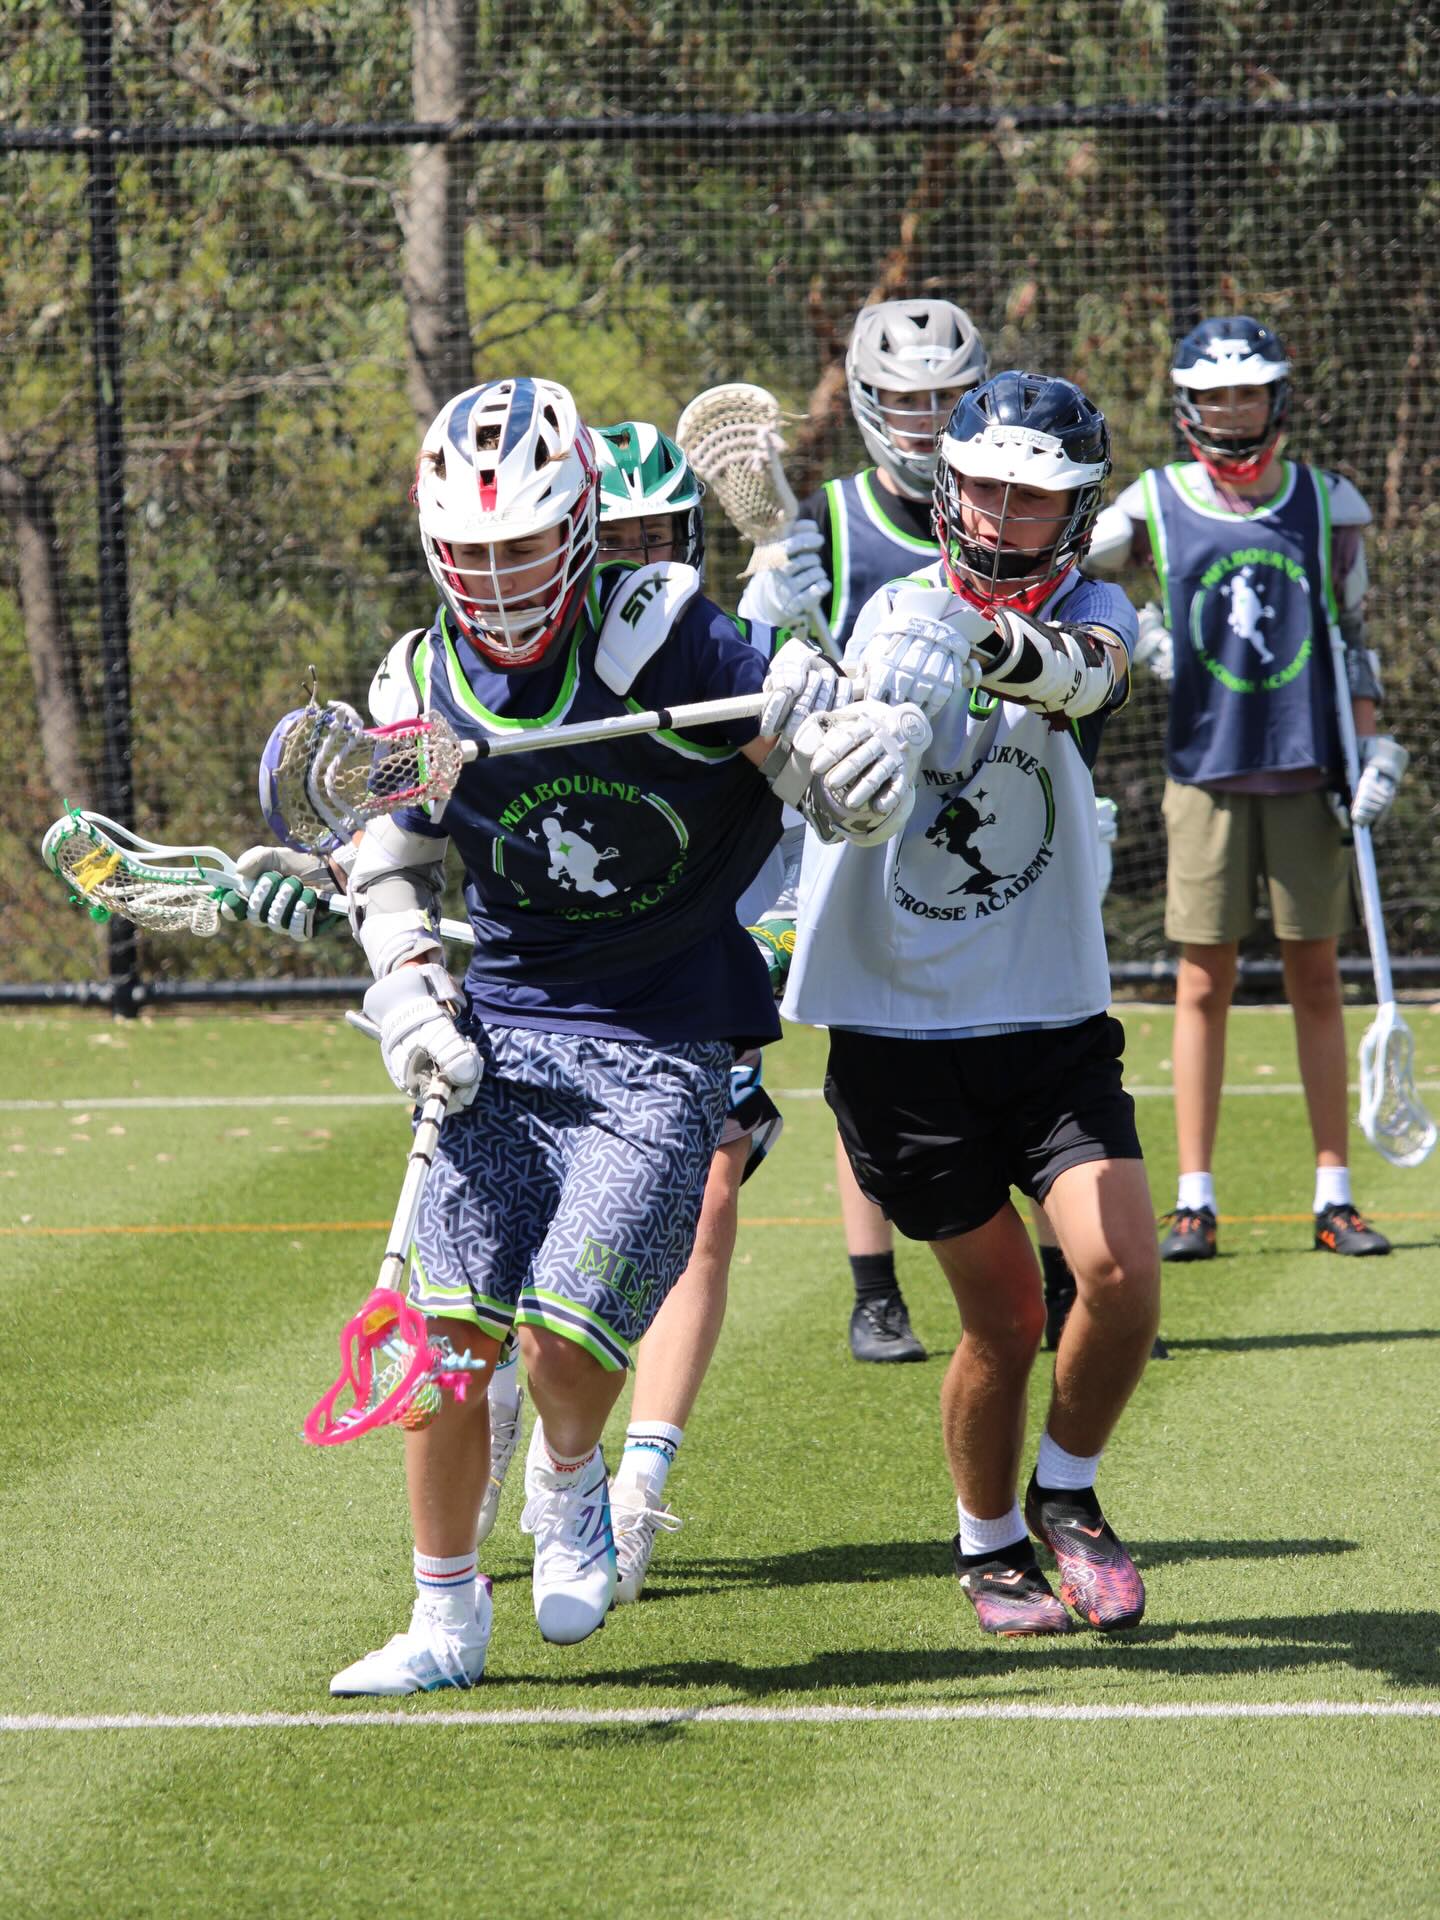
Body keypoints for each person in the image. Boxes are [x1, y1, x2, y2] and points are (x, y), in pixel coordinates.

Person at [285, 375, 922, 1693]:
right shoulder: (422, 682)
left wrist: (860, 757)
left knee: (565, 1343)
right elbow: (392, 857)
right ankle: (445, 1625)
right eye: (472, 554)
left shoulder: (666, 642)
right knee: (449, 1345)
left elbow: (806, 769)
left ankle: (571, 1483)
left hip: (662, 1038)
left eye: (523, 545)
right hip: (503, 1037)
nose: (501, 580)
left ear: (579, 528)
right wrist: (406, 994)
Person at [784, 369, 1159, 1635]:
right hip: (898, 1038)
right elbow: (846, 782)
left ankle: (1070, 1494)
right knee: (1002, 1318)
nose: (1005, 519)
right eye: (989, 489)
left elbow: (1091, 678)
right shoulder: (886, 609)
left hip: (1047, 1020)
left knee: (1118, 1274)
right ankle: (989, 1545)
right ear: (950, 487)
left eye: (1036, 498)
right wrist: (830, 741)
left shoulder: (1100, 610)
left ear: (1077, 509)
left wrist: (989, 646)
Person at [741, 299, 1132, 1364]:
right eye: (904, 399)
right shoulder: (834, 520)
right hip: (874, 824)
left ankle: (1062, 1269)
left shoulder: (1086, 593)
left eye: (941, 400)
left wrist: (967, 643)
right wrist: (775, 634)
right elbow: (783, 686)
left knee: (1036, 1060)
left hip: (1018, 814)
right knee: (875, 1036)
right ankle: (877, 1289)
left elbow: (1087, 665)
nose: (922, 419)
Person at [1087, 316, 1406, 1261]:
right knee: (1200, 983)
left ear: (1276, 398)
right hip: (1205, 773)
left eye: (1250, 391)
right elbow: (1061, 576)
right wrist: (1126, 627)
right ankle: (1194, 1200)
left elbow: (1352, 641)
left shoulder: (1325, 504)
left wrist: (1374, 748)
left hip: (1309, 770)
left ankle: (1334, 1195)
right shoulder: (1149, 505)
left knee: (1318, 977)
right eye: (1217, 393)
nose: (1235, 410)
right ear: (1189, 403)